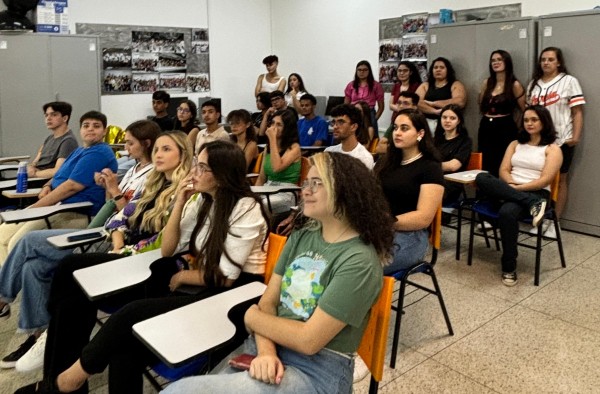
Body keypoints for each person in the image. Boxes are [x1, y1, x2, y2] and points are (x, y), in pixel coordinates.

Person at [17, 140, 270, 394]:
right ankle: (61, 377)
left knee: (129, 315)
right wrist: (181, 203)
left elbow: (225, 277)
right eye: (196, 165)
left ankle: (66, 382)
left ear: (223, 174)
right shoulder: (204, 200)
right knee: (123, 342)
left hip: (235, 296)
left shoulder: (245, 206)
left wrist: (183, 276)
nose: (195, 172)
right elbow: (169, 249)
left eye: (202, 168)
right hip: (202, 282)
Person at [159, 152, 394, 394]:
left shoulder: (359, 261)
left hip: (316, 369)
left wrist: (252, 318)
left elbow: (308, 340)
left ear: (346, 191)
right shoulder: (303, 236)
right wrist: (267, 352)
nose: (306, 191)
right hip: (267, 348)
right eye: (306, 183)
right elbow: (268, 303)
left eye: (317, 183)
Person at [12, 131, 193, 394]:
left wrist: (127, 251)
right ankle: (57, 378)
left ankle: (56, 378)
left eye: (167, 149)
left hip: (152, 267)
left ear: (183, 154)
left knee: (70, 269)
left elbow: (164, 243)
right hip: (126, 256)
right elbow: (119, 217)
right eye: (157, 150)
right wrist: (119, 244)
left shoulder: (185, 192)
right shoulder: (153, 184)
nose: (159, 154)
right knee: (74, 295)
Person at [0, 120, 160, 371]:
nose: (126, 148)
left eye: (130, 143)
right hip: (104, 227)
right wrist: (108, 188)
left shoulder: (153, 176)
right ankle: (38, 334)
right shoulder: (134, 169)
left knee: (29, 241)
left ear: (146, 143)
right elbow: (114, 206)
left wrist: (114, 191)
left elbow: (132, 219)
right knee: (32, 266)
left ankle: (3, 301)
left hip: (108, 235)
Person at [0, 111, 118, 264]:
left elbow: (72, 186)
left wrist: (33, 208)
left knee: (16, 241)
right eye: (86, 125)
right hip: (56, 208)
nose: (90, 129)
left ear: (104, 131)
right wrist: (48, 185)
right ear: (80, 129)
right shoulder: (80, 150)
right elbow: (60, 174)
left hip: (76, 212)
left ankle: (10, 286)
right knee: (2, 233)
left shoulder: (99, 152)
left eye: (96, 126)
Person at [474, 105, 563, 286]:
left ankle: (509, 267)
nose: (529, 123)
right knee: (481, 177)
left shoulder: (553, 149)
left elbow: (544, 179)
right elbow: (503, 170)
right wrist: (511, 186)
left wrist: (516, 189)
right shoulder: (515, 144)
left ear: (544, 122)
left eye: (534, 120)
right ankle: (532, 203)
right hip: (513, 189)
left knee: (507, 212)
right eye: (526, 120)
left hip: (536, 191)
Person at [375, 108, 444, 275]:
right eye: (395, 127)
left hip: (411, 236)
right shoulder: (386, 163)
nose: (397, 133)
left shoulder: (430, 167)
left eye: (404, 128)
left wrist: (383, 221)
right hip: (379, 229)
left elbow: (423, 218)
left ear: (420, 133)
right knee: (340, 256)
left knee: (361, 266)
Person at [527, 47, 585, 238]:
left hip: (561, 140)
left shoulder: (569, 81)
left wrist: (575, 137)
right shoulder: (533, 84)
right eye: (543, 59)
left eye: (551, 59)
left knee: (559, 181)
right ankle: (539, 218)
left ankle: (554, 222)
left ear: (558, 62)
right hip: (537, 141)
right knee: (539, 182)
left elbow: (577, 112)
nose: (546, 63)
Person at [478, 50, 526, 177]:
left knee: (503, 161)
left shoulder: (514, 85)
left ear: (507, 62)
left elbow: (524, 110)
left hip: (505, 127)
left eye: (499, 60)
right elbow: (481, 104)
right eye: (493, 60)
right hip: (486, 126)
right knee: (485, 161)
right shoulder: (487, 83)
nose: (496, 63)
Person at [256, 109, 301, 216]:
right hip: (268, 188)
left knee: (260, 206)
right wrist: (254, 194)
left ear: (287, 129)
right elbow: (262, 178)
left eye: (279, 125)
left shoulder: (294, 148)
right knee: (245, 203)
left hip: (285, 193)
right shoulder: (268, 148)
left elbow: (277, 167)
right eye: (272, 123)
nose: (274, 127)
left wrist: (272, 139)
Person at [433, 105, 473, 205]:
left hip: (452, 181)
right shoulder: (435, 140)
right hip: (433, 176)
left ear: (458, 121)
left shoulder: (465, 141)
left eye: (452, 118)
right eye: (444, 117)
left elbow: (453, 166)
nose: (447, 121)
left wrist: (429, 166)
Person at [27, 101, 78, 179]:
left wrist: (35, 174)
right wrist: (30, 167)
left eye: (54, 115)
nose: (48, 118)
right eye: (46, 115)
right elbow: (36, 161)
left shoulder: (68, 141)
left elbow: (58, 171)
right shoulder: (49, 138)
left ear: (65, 118)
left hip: (45, 181)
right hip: (35, 177)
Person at [416, 57, 467, 131]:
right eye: (435, 67)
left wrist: (434, 103)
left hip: (447, 124)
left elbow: (460, 102)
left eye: (442, 67)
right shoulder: (425, 85)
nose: (438, 70)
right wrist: (434, 111)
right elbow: (416, 101)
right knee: (422, 141)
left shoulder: (455, 84)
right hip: (425, 123)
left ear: (448, 70)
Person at [325, 104, 374, 170]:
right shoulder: (329, 152)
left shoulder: (364, 157)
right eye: (333, 122)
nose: (335, 127)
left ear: (353, 127)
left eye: (341, 122)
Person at [344, 60, 384, 135]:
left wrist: (374, 119)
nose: (362, 72)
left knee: (371, 138)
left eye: (365, 70)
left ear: (369, 71)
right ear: (356, 71)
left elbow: (381, 107)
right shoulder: (351, 85)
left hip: (369, 113)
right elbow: (346, 105)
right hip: (354, 113)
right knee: (354, 136)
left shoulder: (376, 85)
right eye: (359, 70)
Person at [388, 60, 422, 129]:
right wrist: (402, 108)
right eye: (399, 71)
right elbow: (390, 105)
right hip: (395, 119)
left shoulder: (417, 86)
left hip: (411, 120)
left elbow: (418, 105)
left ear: (411, 72)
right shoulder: (396, 86)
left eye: (405, 71)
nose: (402, 73)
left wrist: (401, 108)